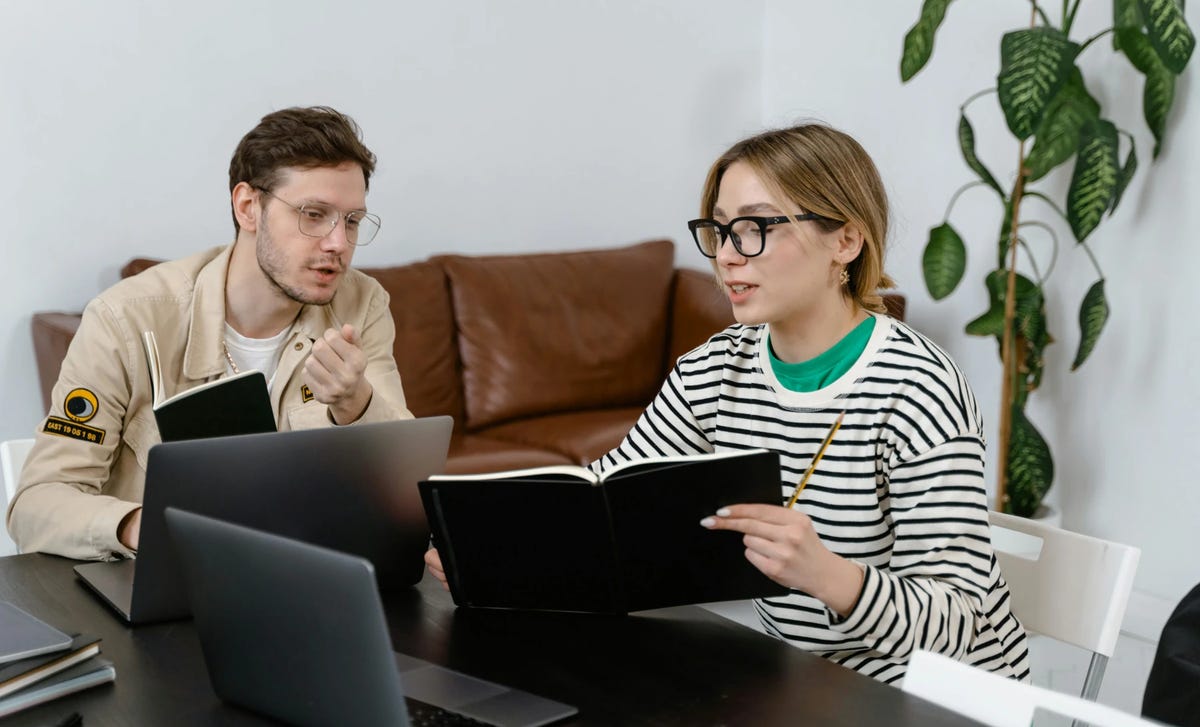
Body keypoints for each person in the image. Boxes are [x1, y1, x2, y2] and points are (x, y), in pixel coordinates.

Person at [425, 122, 1029, 684]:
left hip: (936, 699)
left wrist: (830, 577)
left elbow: (959, 625)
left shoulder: (918, 388)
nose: (728, 255)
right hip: (801, 685)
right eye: (720, 229)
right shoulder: (716, 368)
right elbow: (602, 501)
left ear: (845, 240)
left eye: (758, 227)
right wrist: (501, 551)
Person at [8, 106, 412, 560]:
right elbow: (36, 505)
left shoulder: (362, 303)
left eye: (352, 221)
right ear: (248, 207)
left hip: (310, 576)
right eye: (313, 215)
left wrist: (355, 402)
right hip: (169, 586)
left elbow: (404, 482)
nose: (338, 243)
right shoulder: (125, 320)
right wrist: (143, 526)